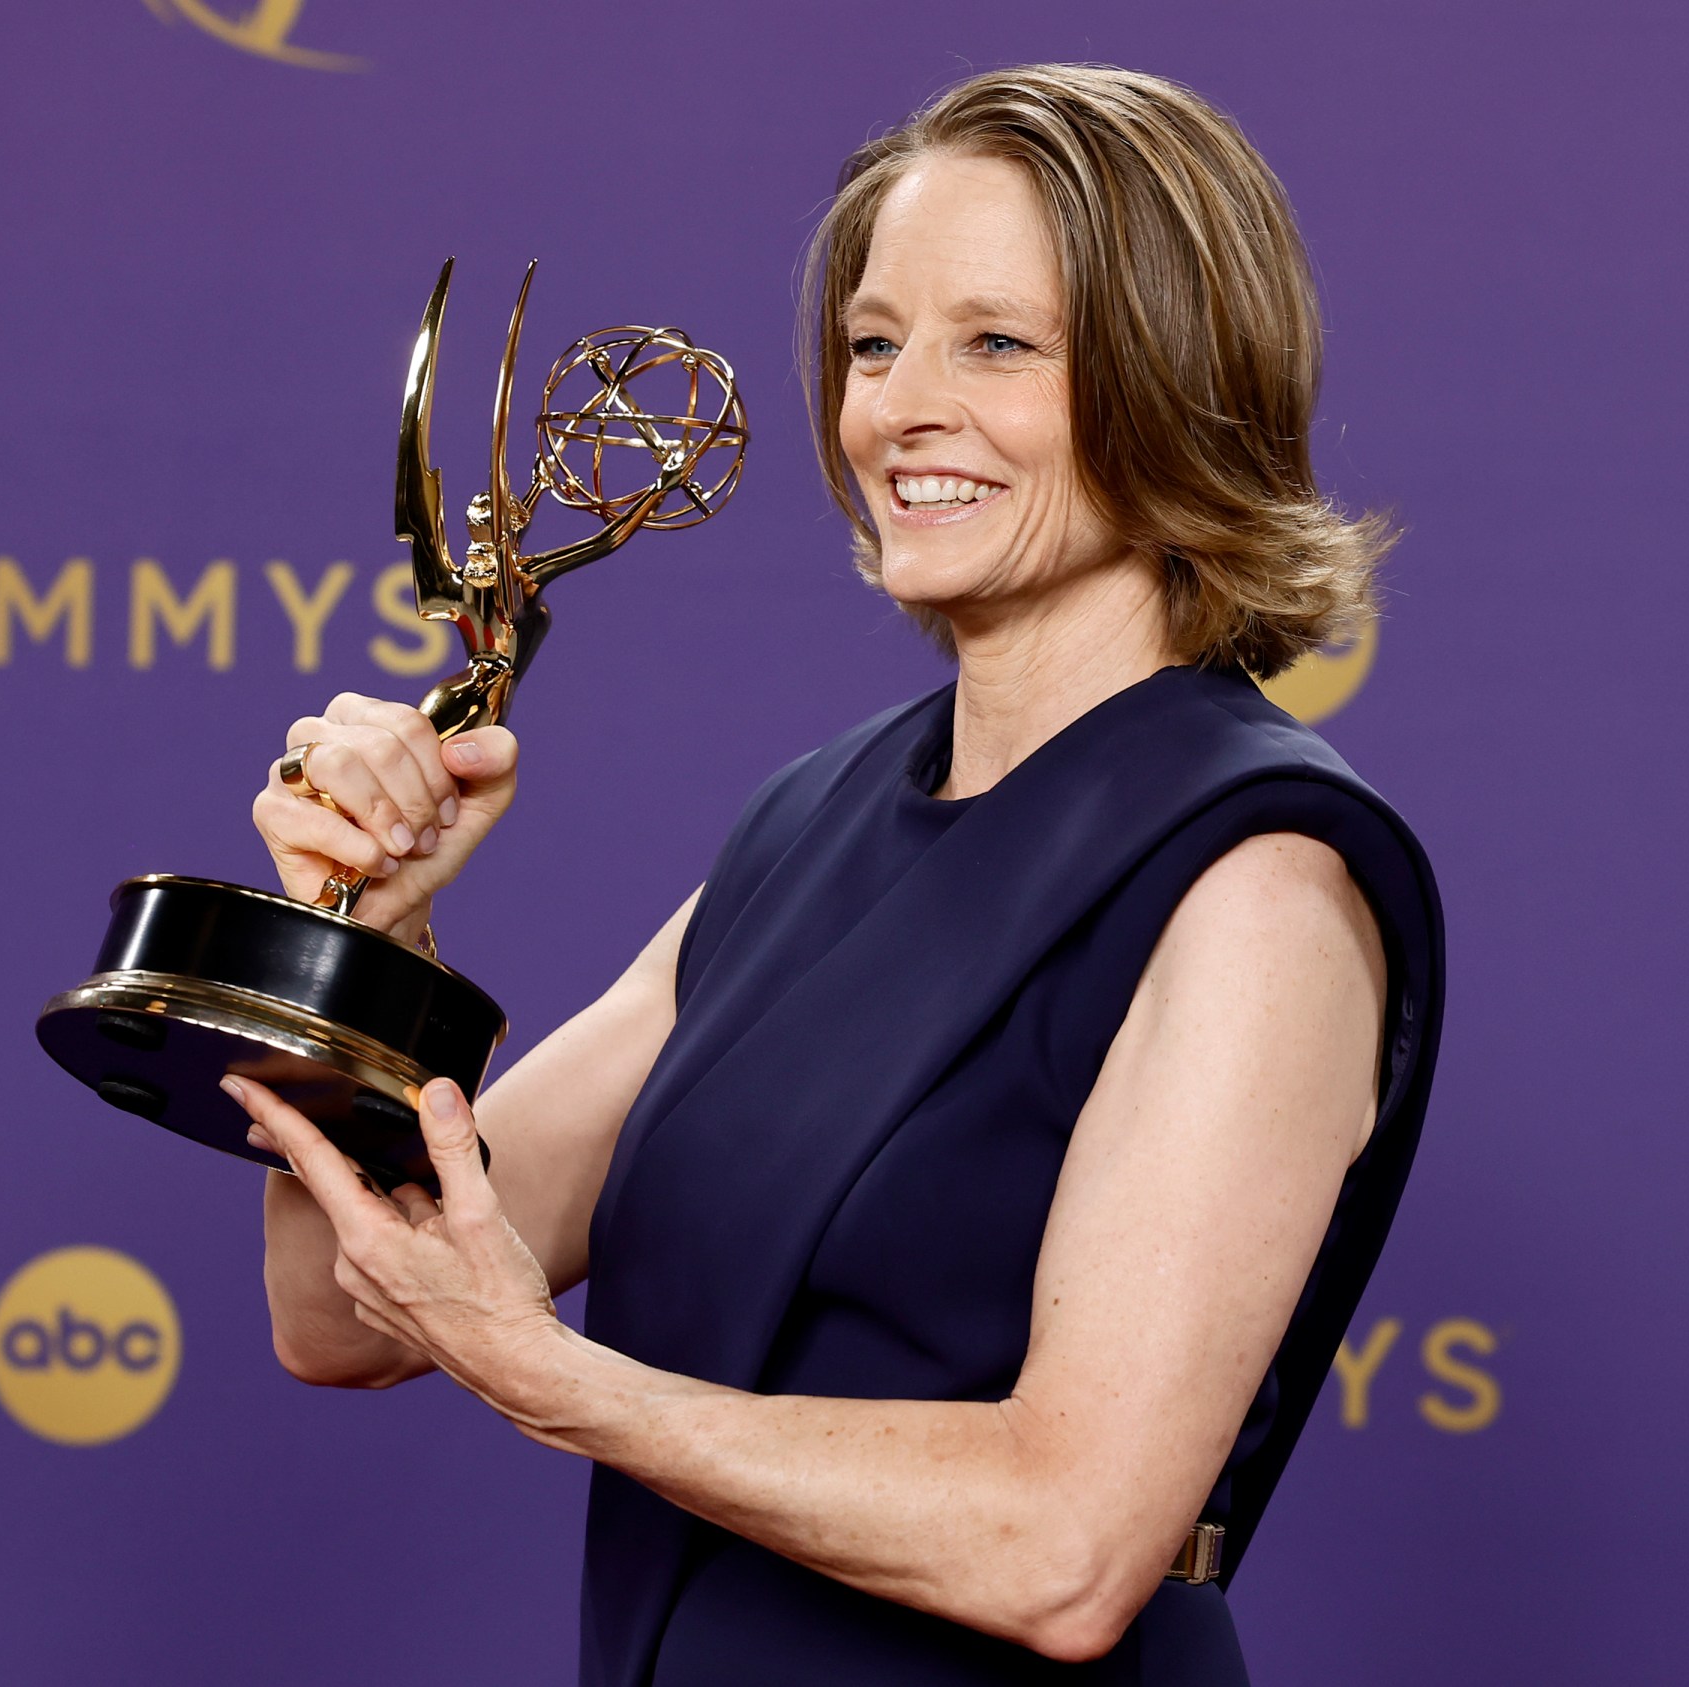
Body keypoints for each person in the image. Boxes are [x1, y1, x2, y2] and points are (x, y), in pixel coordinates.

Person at [220, 64, 1444, 1687]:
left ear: (1176, 379)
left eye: (996, 343)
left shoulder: (1259, 883)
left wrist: (556, 1381)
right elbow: (346, 1313)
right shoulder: (809, 826)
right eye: (875, 344)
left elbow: (1069, 1550)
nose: (898, 409)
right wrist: (370, 946)